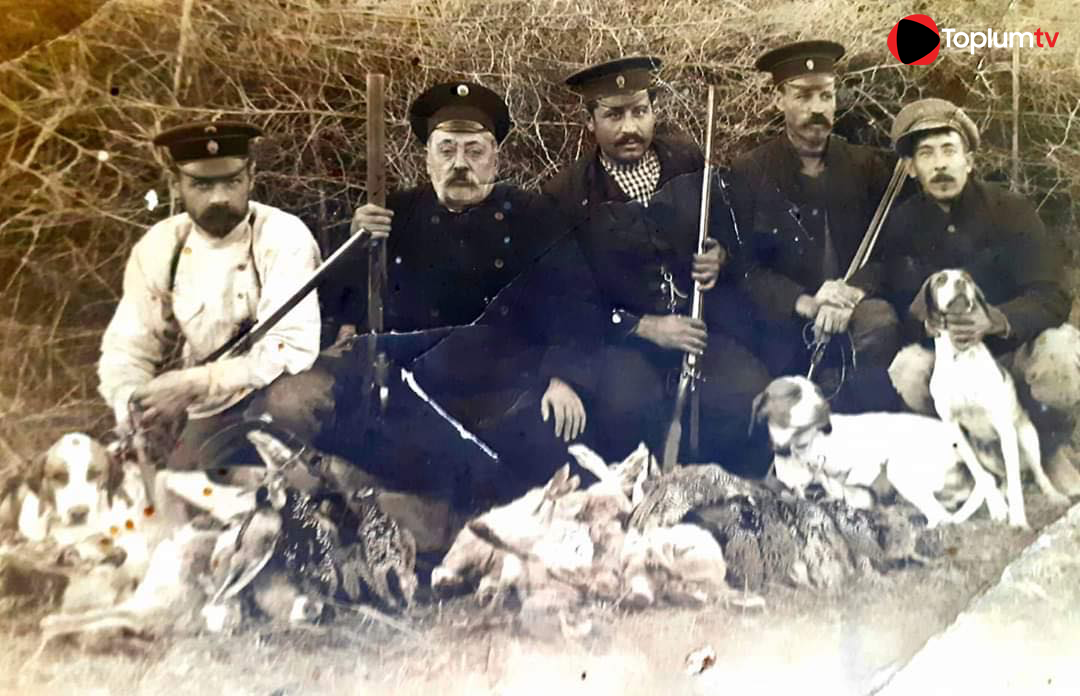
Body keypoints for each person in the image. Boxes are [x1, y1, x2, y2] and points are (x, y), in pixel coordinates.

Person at [320, 81, 601, 507]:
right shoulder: (394, 215)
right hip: (414, 390)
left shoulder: (534, 215)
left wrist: (563, 377)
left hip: (507, 388)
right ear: (427, 159)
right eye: (447, 150)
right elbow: (344, 301)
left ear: (495, 158)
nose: (459, 164)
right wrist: (356, 244)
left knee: (547, 460)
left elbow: (574, 299)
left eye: (474, 151)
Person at [543, 57, 772, 476]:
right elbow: (567, 297)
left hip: (700, 328)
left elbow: (731, 233)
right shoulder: (566, 195)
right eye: (614, 115)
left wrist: (720, 256)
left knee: (748, 391)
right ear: (590, 121)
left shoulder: (688, 160)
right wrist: (642, 326)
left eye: (639, 111)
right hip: (622, 343)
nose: (629, 127)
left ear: (654, 111)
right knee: (629, 405)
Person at [862, 97, 1080, 494]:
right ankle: (968, 458)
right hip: (953, 362)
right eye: (926, 154)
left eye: (949, 150)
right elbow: (899, 298)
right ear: (911, 168)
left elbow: (1052, 292)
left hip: (1012, 351)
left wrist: (996, 319)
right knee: (907, 369)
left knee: (1060, 352)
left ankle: (1050, 448)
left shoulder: (1011, 209)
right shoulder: (902, 224)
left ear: (969, 160)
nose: (940, 164)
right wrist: (929, 322)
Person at [97, 121, 328, 472]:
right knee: (182, 487)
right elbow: (128, 346)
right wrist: (133, 401)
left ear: (251, 177)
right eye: (202, 185)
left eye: (232, 181)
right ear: (175, 184)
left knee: (291, 405)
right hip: (213, 406)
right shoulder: (162, 245)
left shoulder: (282, 235)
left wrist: (195, 383)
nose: (219, 197)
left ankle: (327, 489)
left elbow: (291, 349)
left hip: (287, 388)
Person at [731, 40, 903, 412]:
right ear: (779, 100)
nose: (817, 109)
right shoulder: (751, 171)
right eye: (803, 96)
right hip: (787, 321)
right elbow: (745, 268)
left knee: (880, 322)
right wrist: (806, 302)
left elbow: (891, 253)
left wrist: (852, 292)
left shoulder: (865, 166)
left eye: (826, 95)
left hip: (853, 316)